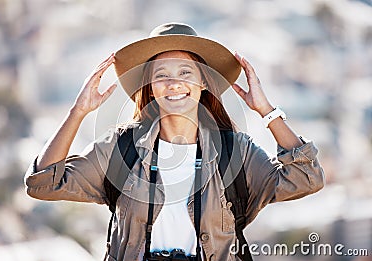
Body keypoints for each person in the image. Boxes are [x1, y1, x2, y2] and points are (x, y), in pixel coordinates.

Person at [24, 23, 325, 261]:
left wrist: (266, 111)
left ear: (204, 82)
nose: (174, 83)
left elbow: (305, 178)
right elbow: (43, 183)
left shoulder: (235, 152)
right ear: (151, 87)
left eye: (185, 73)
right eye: (161, 75)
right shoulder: (121, 148)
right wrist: (78, 112)